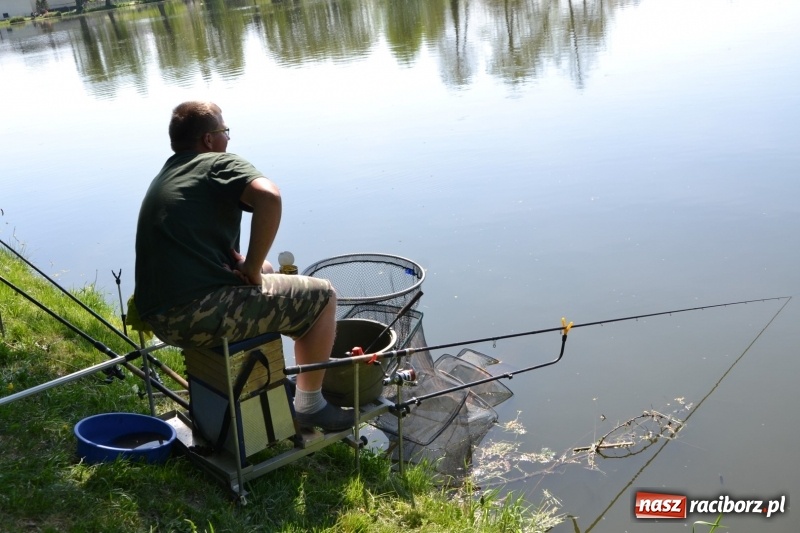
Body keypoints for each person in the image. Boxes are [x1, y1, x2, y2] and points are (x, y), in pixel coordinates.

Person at [134, 101, 353, 432]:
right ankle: (310, 405)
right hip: (194, 315)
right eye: (224, 131)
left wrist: (255, 266)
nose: (227, 139)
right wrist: (250, 270)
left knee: (266, 270)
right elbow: (270, 197)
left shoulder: (171, 173)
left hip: (159, 317)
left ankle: (280, 383)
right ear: (209, 139)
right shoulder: (217, 163)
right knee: (323, 297)